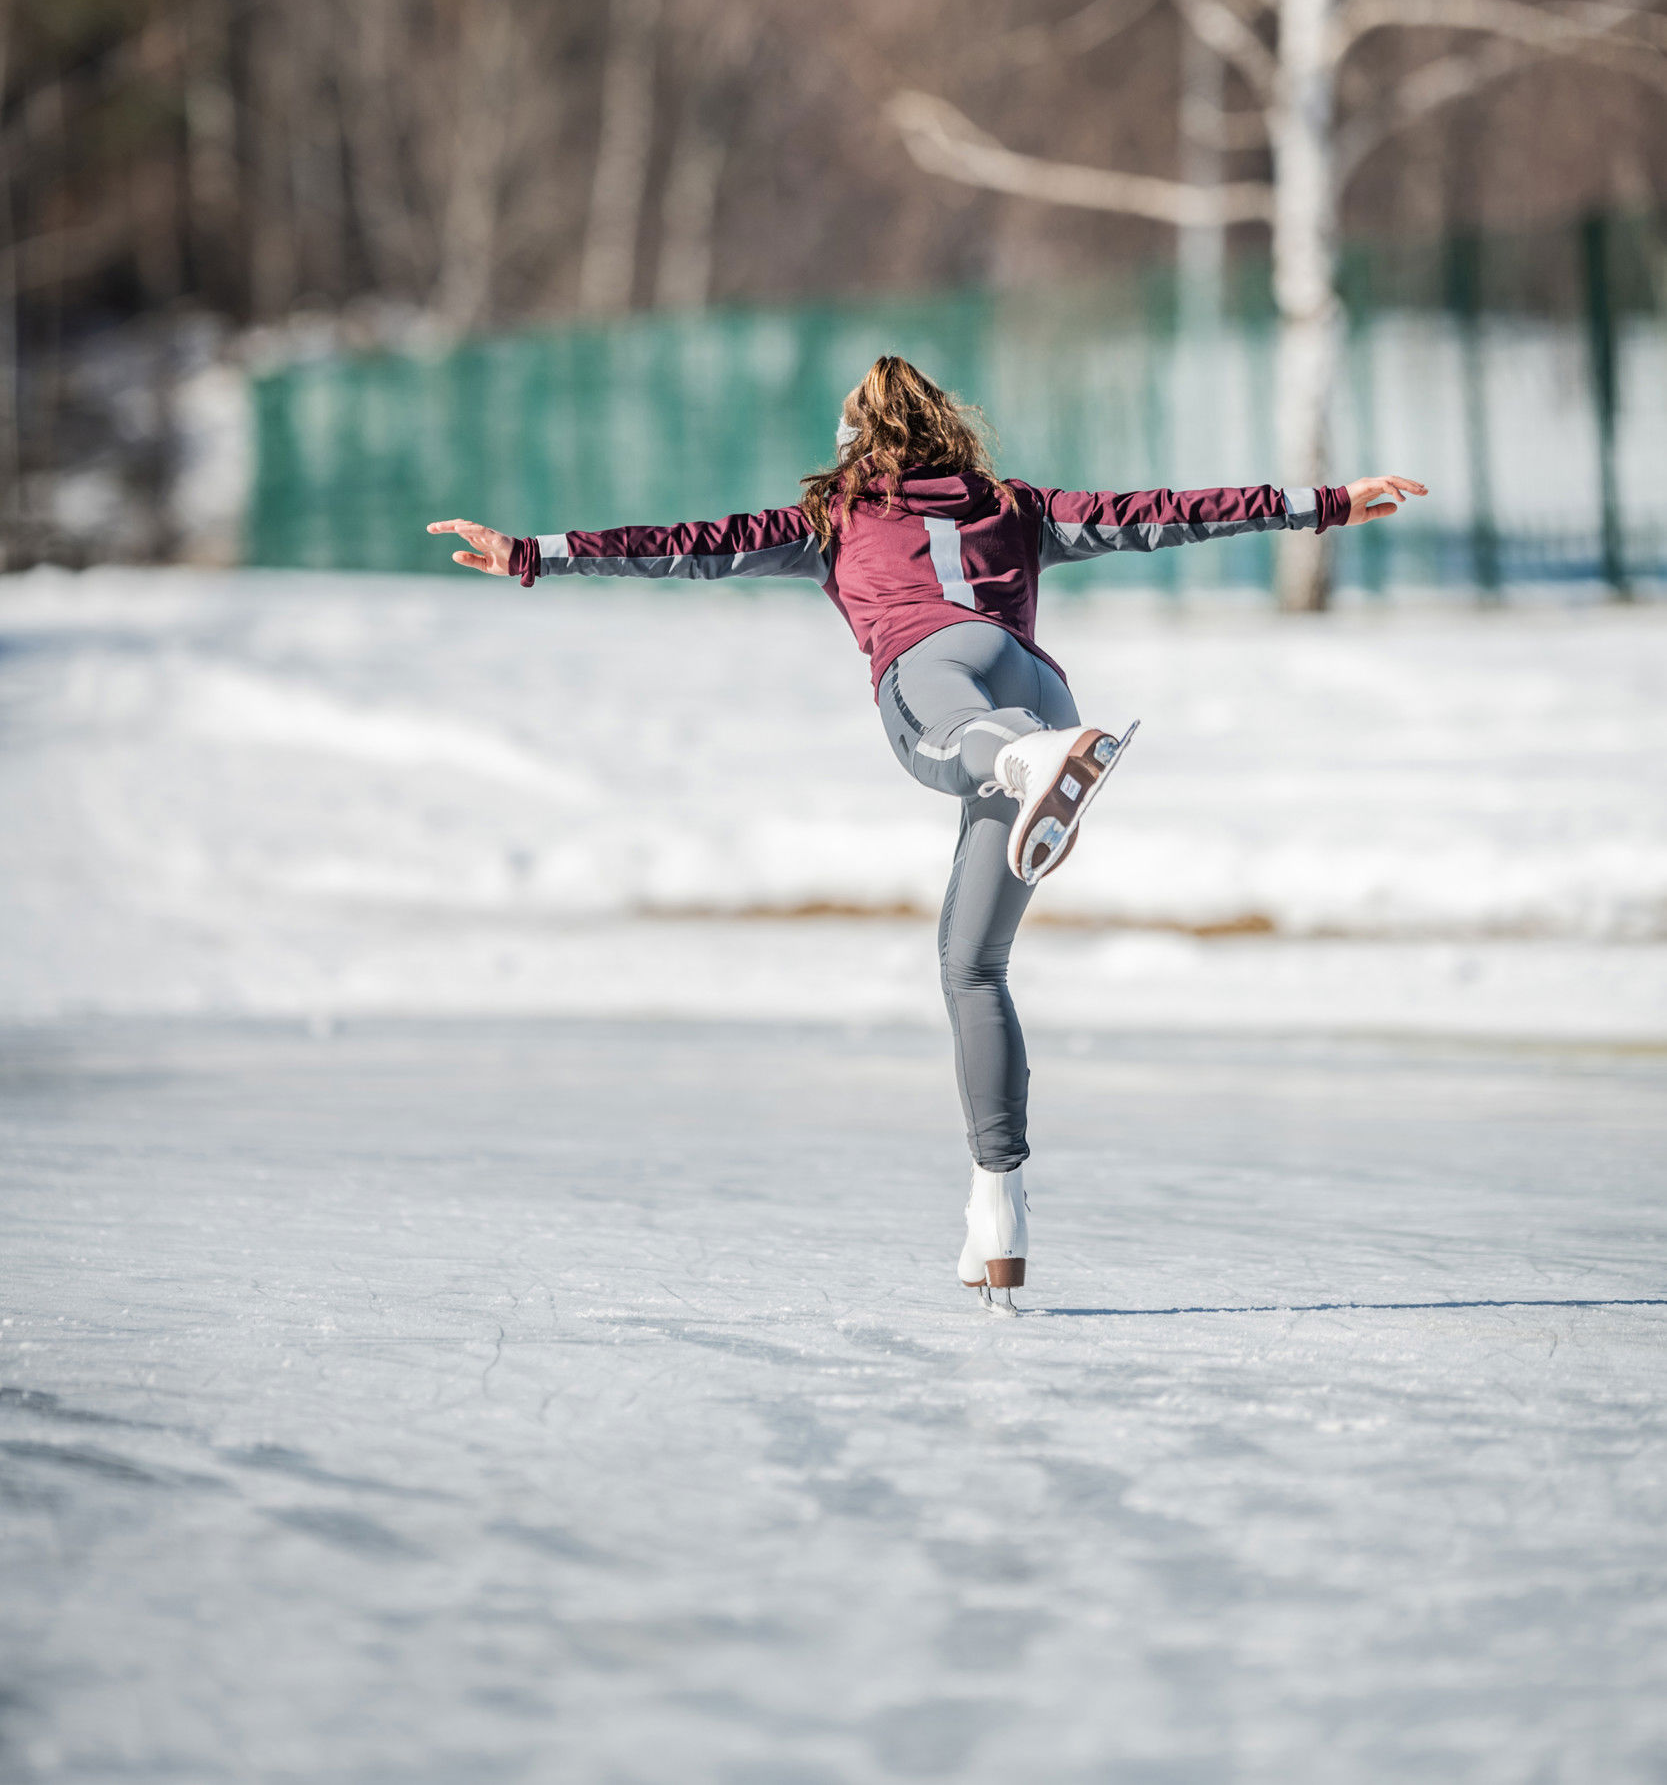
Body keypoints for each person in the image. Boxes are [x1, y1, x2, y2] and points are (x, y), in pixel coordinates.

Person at [428, 353, 1425, 1312]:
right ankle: (998, 1208)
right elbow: (1158, 516)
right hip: (1035, 687)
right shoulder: (1014, 506)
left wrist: (533, 554)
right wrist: (1326, 501)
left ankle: (1020, 760)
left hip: (939, 680)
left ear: (853, 443)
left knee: (932, 746)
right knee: (968, 962)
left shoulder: (828, 515)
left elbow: (686, 544)